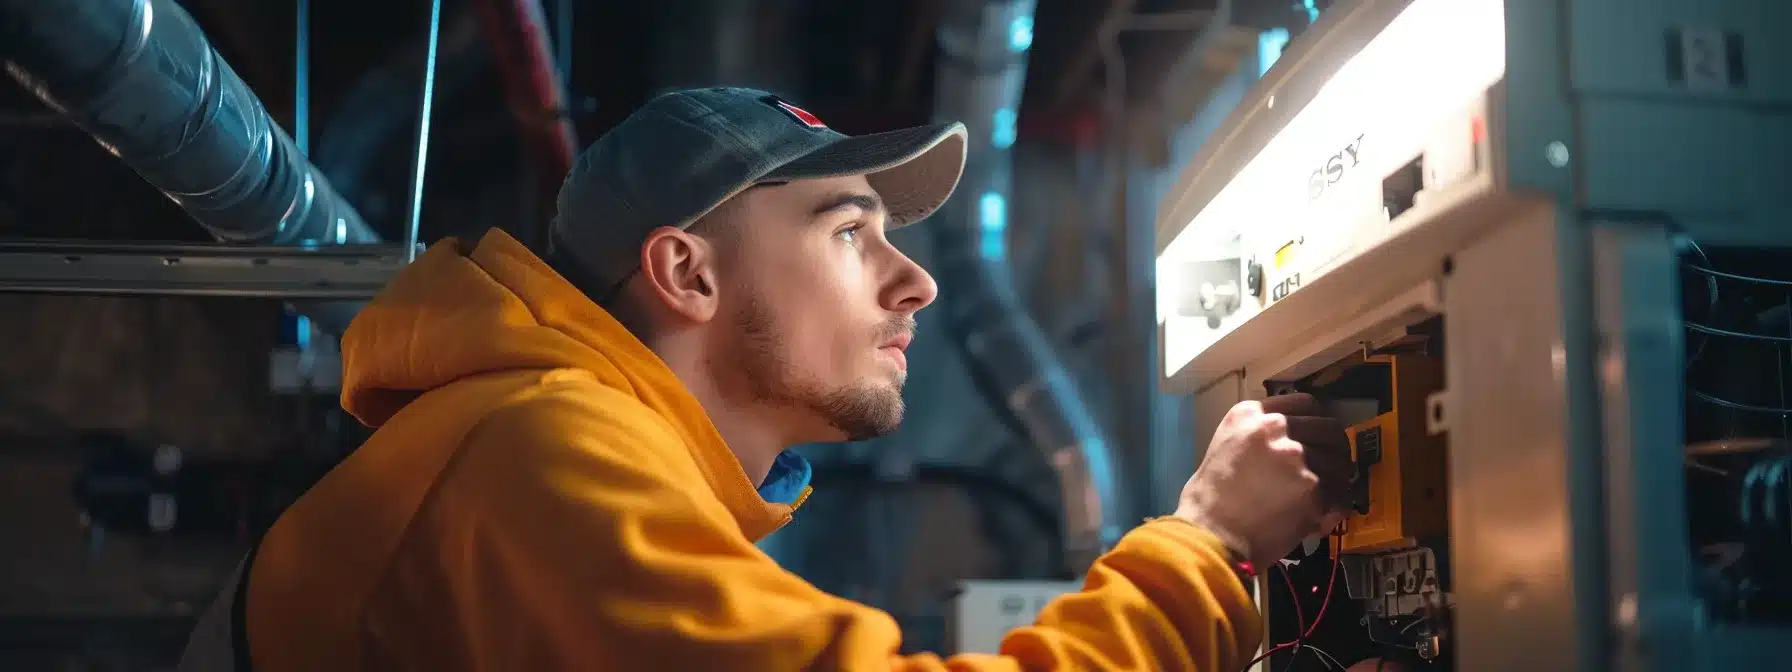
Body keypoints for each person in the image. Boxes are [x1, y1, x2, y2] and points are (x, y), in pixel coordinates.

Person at [177, 87, 1354, 671]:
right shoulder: (537, 449)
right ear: (684, 272)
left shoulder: (568, 448)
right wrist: (1204, 547)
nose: (915, 285)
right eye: (851, 231)